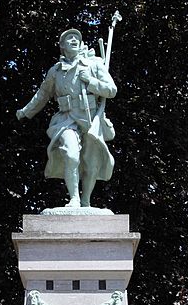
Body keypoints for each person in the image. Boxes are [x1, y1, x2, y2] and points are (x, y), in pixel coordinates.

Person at [16, 29, 117, 208]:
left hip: (90, 117)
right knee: (71, 154)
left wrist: (91, 82)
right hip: (66, 118)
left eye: (76, 37)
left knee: (91, 164)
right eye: (69, 38)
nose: (73, 40)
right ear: (62, 46)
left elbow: (111, 90)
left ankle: (85, 200)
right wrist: (26, 111)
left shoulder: (93, 65)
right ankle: (74, 199)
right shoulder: (55, 71)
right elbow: (42, 95)